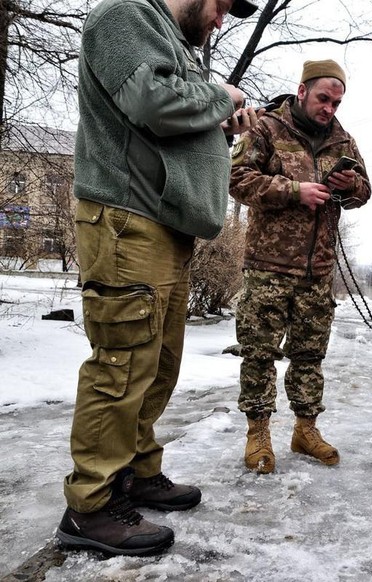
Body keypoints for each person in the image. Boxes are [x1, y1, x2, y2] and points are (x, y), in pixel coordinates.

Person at [56, 0, 261, 557]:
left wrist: (218, 125)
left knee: (158, 365)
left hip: (165, 226)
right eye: (224, 6)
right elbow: (152, 103)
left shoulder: (170, 40)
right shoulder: (124, 16)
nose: (221, 20)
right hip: (127, 219)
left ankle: (136, 472)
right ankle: (90, 507)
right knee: (122, 366)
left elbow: (174, 128)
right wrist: (224, 96)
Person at [229, 59, 371, 474]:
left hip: (317, 270)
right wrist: (294, 191)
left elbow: (365, 192)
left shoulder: (342, 140)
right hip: (268, 266)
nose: (330, 108)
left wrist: (351, 186)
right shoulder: (267, 127)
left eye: (337, 102)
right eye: (324, 98)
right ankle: (258, 433)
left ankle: (305, 430)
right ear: (303, 90)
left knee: (310, 355)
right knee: (259, 354)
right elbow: (237, 179)